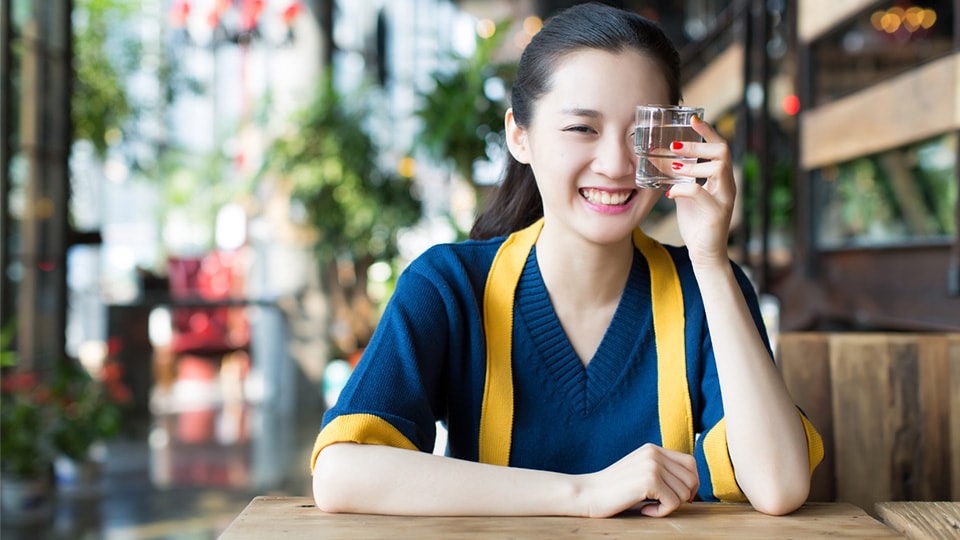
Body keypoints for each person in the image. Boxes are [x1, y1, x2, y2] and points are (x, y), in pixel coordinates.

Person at [311, 2, 822, 518]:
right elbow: (341, 474)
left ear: (675, 143)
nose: (616, 164)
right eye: (583, 129)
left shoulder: (706, 287)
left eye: (641, 133)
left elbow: (778, 485)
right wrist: (584, 493)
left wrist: (710, 257)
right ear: (520, 135)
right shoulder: (449, 285)